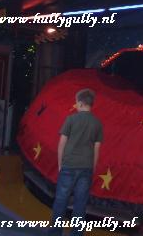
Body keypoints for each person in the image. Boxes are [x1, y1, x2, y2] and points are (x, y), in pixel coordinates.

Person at [49, 89, 103, 236]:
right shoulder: (97, 123)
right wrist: (93, 167)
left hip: (68, 165)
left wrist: (60, 164)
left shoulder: (71, 119)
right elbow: (96, 148)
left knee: (61, 200)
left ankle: (55, 233)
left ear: (80, 103)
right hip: (86, 167)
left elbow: (62, 143)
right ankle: (76, 233)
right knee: (80, 203)